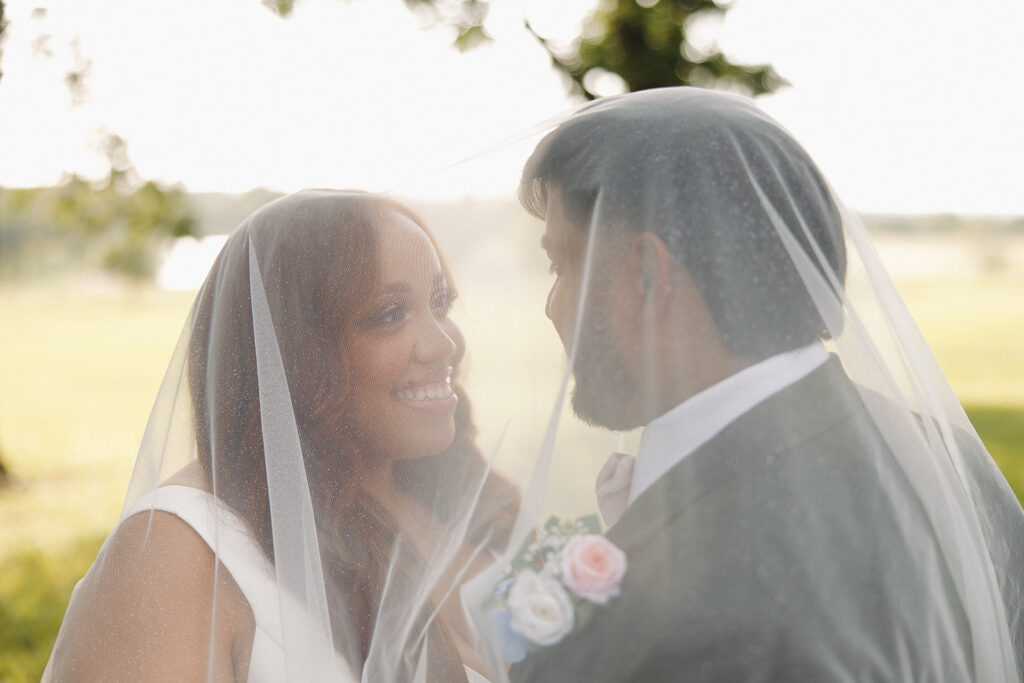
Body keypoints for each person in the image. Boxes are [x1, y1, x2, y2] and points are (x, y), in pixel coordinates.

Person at [477, 88, 1024, 681]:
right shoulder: (946, 464)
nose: (551, 307)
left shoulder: (676, 612)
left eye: (561, 265)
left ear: (645, 278)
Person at [44, 190, 518, 682]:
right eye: (389, 313)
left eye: (440, 304)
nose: (445, 344)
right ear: (293, 351)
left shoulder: (452, 500)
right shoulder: (177, 553)